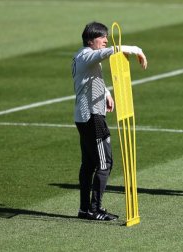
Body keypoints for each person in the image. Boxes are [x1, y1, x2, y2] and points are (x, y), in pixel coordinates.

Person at [72, 21, 147, 220]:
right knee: (104, 164)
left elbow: (89, 79)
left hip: (86, 116)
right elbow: (108, 53)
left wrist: (106, 93)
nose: (105, 40)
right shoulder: (87, 55)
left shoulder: (84, 58)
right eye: (101, 37)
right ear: (90, 40)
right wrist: (136, 50)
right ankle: (94, 210)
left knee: (88, 164)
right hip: (92, 118)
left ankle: (85, 209)